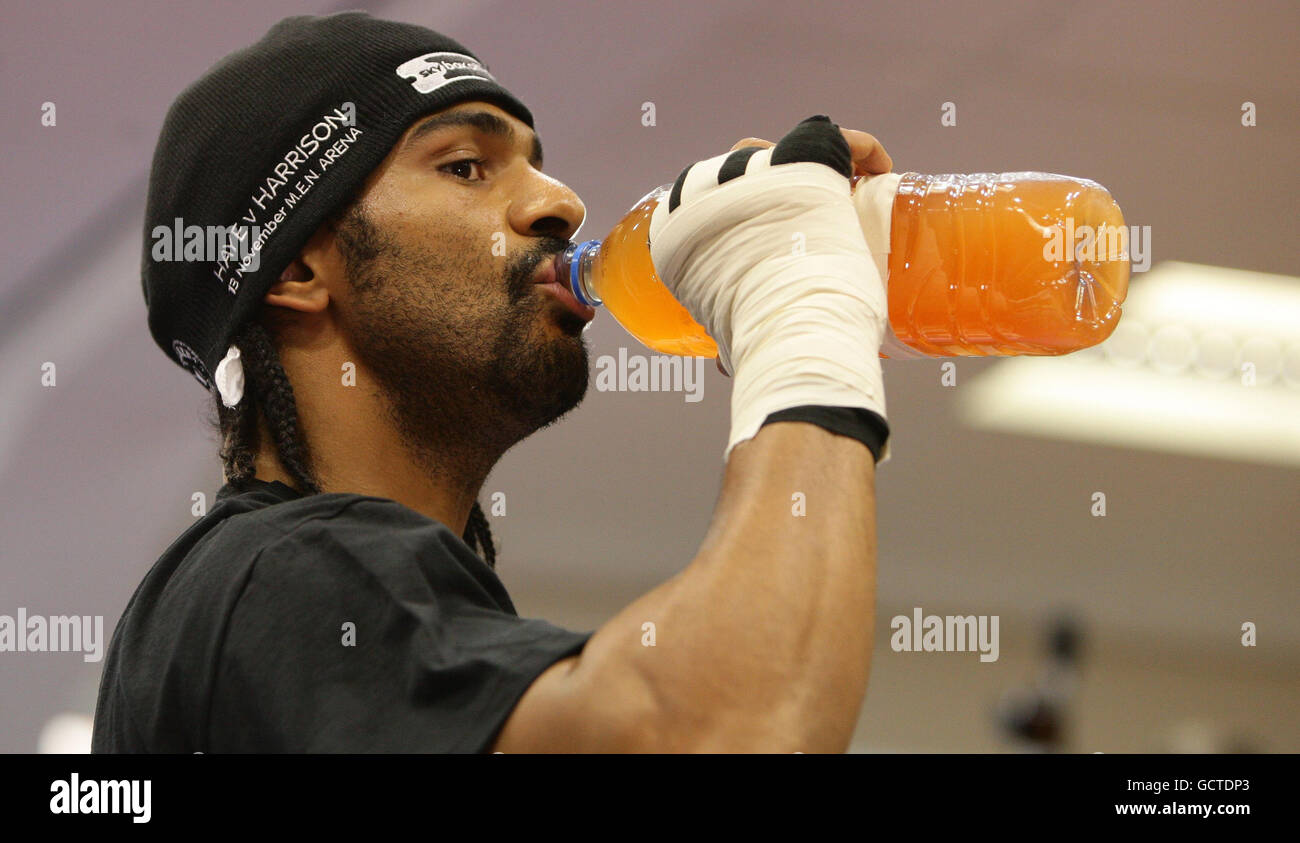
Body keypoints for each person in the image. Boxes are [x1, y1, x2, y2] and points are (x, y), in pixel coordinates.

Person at [92, 11, 893, 753]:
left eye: (536, 166)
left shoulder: (271, 585)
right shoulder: (287, 573)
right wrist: (804, 321)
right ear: (298, 266)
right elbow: (731, 728)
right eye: (467, 166)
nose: (562, 204)